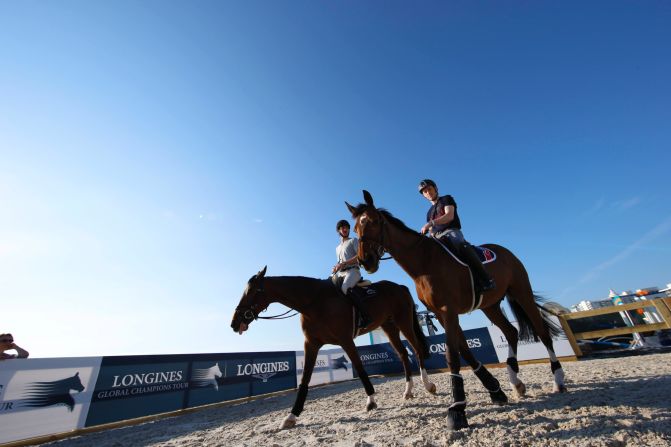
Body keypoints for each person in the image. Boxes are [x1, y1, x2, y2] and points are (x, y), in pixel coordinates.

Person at [418, 179, 496, 295]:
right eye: (425, 191)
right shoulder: (429, 213)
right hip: (437, 237)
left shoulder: (446, 199)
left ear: (435, 188)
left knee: (461, 246)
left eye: (429, 189)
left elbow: (449, 216)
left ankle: (486, 280)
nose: (428, 192)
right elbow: (431, 231)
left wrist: (431, 223)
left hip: (451, 232)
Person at [332, 219, 372, 328]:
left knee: (345, 288)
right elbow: (340, 262)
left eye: (347, 227)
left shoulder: (353, 240)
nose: (345, 229)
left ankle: (364, 317)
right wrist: (336, 267)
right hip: (341, 273)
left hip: (353, 271)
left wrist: (344, 263)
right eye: (342, 227)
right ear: (338, 231)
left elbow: (359, 256)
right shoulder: (337, 248)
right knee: (329, 287)